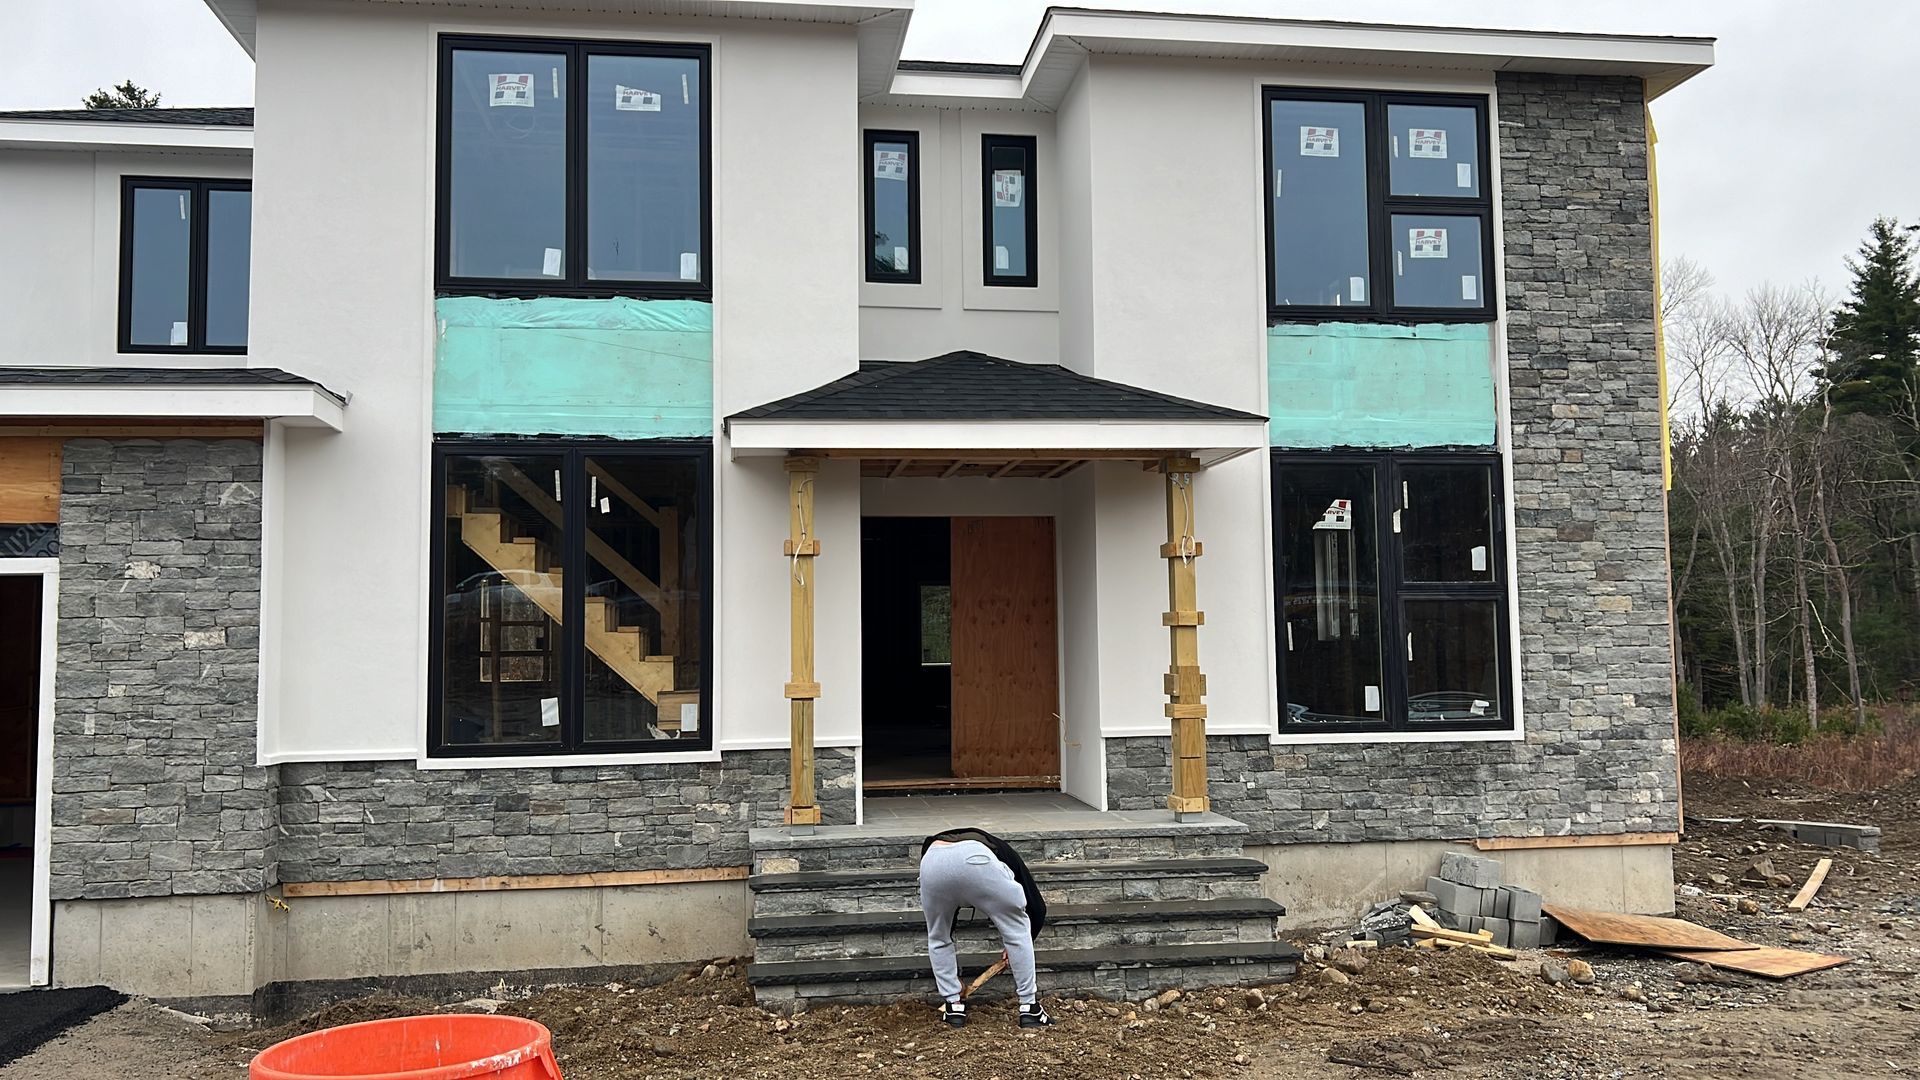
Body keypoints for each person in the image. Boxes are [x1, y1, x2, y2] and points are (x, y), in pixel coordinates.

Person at [918, 827, 1052, 1029]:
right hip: (977, 860)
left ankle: (953, 1006)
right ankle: (1029, 1008)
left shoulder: (935, 843)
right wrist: (1024, 941)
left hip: (932, 863)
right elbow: (1037, 907)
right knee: (1017, 931)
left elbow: (948, 918)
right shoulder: (1003, 850)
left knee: (939, 935)